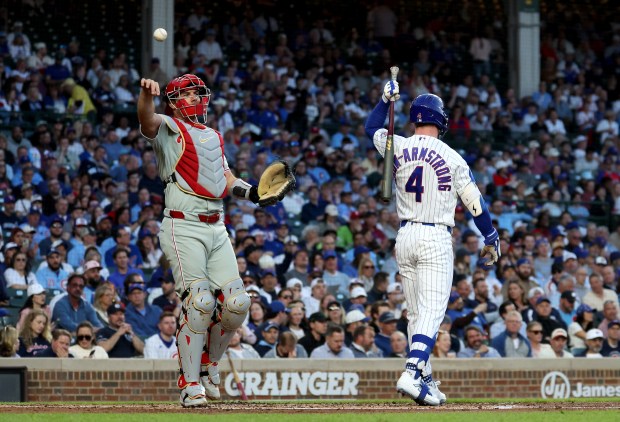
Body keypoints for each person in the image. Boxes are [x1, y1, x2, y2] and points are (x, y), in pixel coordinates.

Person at [139, 74, 273, 406]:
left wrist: (253, 192)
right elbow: (146, 119)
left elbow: (225, 178)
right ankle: (189, 384)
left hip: (217, 225)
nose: (195, 97)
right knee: (200, 302)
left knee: (238, 304)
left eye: (198, 91)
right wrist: (146, 95)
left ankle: (208, 366)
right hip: (182, 225)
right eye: (187, 93)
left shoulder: (213, 135)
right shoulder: (169, 129)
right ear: (172, 100)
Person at [365, 84, 500, 405]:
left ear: (414, 119)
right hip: (435, 236)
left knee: (415, 314)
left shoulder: (398, 145)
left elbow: (372, 127)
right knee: (431, 312)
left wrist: (384, 101)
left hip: (405, 235)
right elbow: (475, 203)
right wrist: (491, 236)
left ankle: (425, 380)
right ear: (440, 120)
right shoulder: (452, 157)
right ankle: (412, 372)